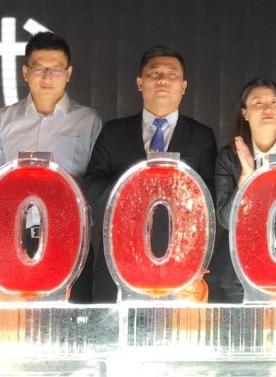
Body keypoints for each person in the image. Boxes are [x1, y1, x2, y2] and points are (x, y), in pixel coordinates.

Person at [82, 46, 217, 301]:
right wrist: (138, 188)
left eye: (172, 74)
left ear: (183, 86)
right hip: (120, 260)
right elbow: (92, 187)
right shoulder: (114, 132)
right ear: (140, 83)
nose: (163, 79)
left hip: (178, 261)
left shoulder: (201, 136)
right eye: (154, 73)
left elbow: (208, 198)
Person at [0, 31, 103, 292]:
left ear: (68, 73)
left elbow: (95, 182)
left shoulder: (89, 121)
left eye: (56, 70)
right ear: (25, 72)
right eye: (38, 69)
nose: (47, 77)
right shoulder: (3, 119)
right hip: (13, 238)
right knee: (16, 316)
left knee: (72, 314)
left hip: (69, 238)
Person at [211, 78, 276, 302]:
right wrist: (246, 176)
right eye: (258, 102)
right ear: (245, 113)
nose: (268, 108)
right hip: (237, 276)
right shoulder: (229, 157)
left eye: (274, 102)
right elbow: (226, 219)